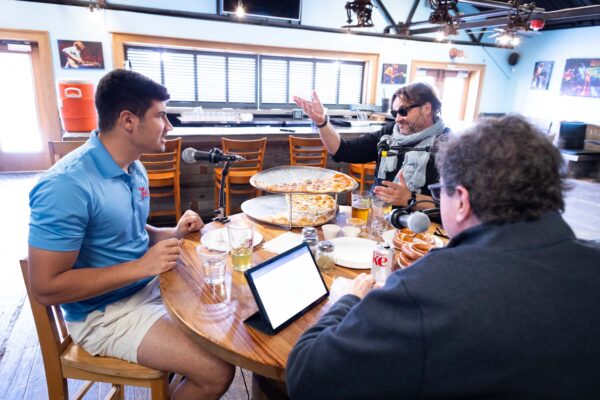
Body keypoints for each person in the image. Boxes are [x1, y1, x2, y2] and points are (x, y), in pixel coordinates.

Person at [286, 114, 600, 399]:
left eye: (440, 192)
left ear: (461, 200)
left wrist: (349, 300)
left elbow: (307, 376)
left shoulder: (424, 291)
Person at [28, 69, 234, 400]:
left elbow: (133, 232)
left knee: (226, 321)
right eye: (161, 116)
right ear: (128, 120)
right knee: (216, 370)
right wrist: (142, 267)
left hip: (146, 288)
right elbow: (46, 287)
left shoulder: (133, 165)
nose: (169, 127)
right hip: (102, 314)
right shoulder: (66, 185)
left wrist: (174, 232)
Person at [293, 82, 449, 209]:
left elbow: (456, 207)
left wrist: (410, 199)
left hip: (420, 231)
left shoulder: (448, 145)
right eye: (395, 113)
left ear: (427, 108)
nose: (398, 119)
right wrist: (322, 122)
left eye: (403, 111)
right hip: (377, 215)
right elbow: (343, 151)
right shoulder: (389, 134)